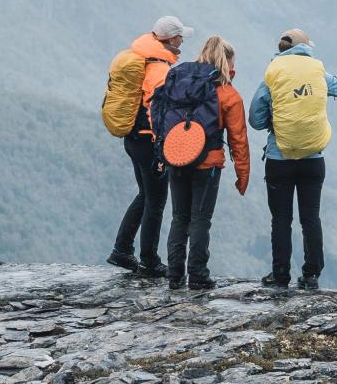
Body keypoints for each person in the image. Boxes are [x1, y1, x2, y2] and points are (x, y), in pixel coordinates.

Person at [249, 28, 337, 290]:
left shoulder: (272, 75)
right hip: (313, 159)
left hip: (278, 159)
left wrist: (277, 121)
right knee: (310, 217)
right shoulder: (317, 72)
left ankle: (280, 275)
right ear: (305, 48)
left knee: (281, 219)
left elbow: (256, 120)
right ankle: (311, 275)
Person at [154, 35, 250, 292]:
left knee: (179, 217)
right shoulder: (227, 93)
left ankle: (174, 276)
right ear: (227, 62)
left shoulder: (178, 81)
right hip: (207, 164)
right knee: (200, 219)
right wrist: (243, 175)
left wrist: (163, 151)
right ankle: (198, 274)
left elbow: (159, 113)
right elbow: (238, 138)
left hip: (176, 158)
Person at [101, 15, 189, 279]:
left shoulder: (144, 57)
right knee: (156, 201)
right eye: (181, 37)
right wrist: (162, 147)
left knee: (145, 195)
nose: (183, 41)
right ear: (172, 39)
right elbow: (155, 107)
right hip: (148, 140)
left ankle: (122, 249)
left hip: (133, 138)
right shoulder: (159, 67)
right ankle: (149, 261)